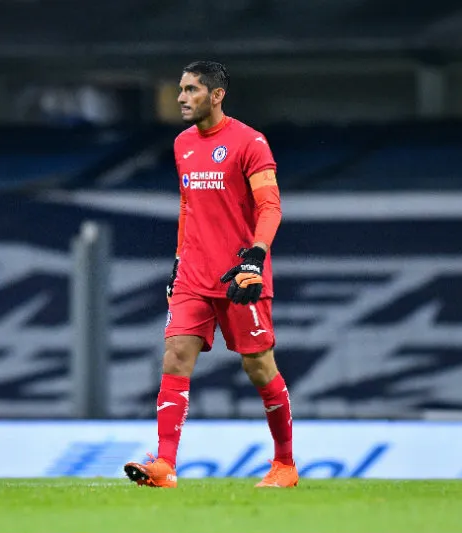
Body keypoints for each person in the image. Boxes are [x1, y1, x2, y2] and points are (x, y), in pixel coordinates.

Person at [124, 61, 296, 488]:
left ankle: (284, 464)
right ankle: (164, 466)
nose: (182, 98)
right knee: (175, 355)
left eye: (191, 90)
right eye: (180, 89)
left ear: (217, 95)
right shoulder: (182, 144)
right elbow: (188, 208)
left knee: (258, 367)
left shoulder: (250, 142)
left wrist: (255, 257)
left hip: (241, 274)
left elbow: (270, 207)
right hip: (193, 275)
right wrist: (178, 262)